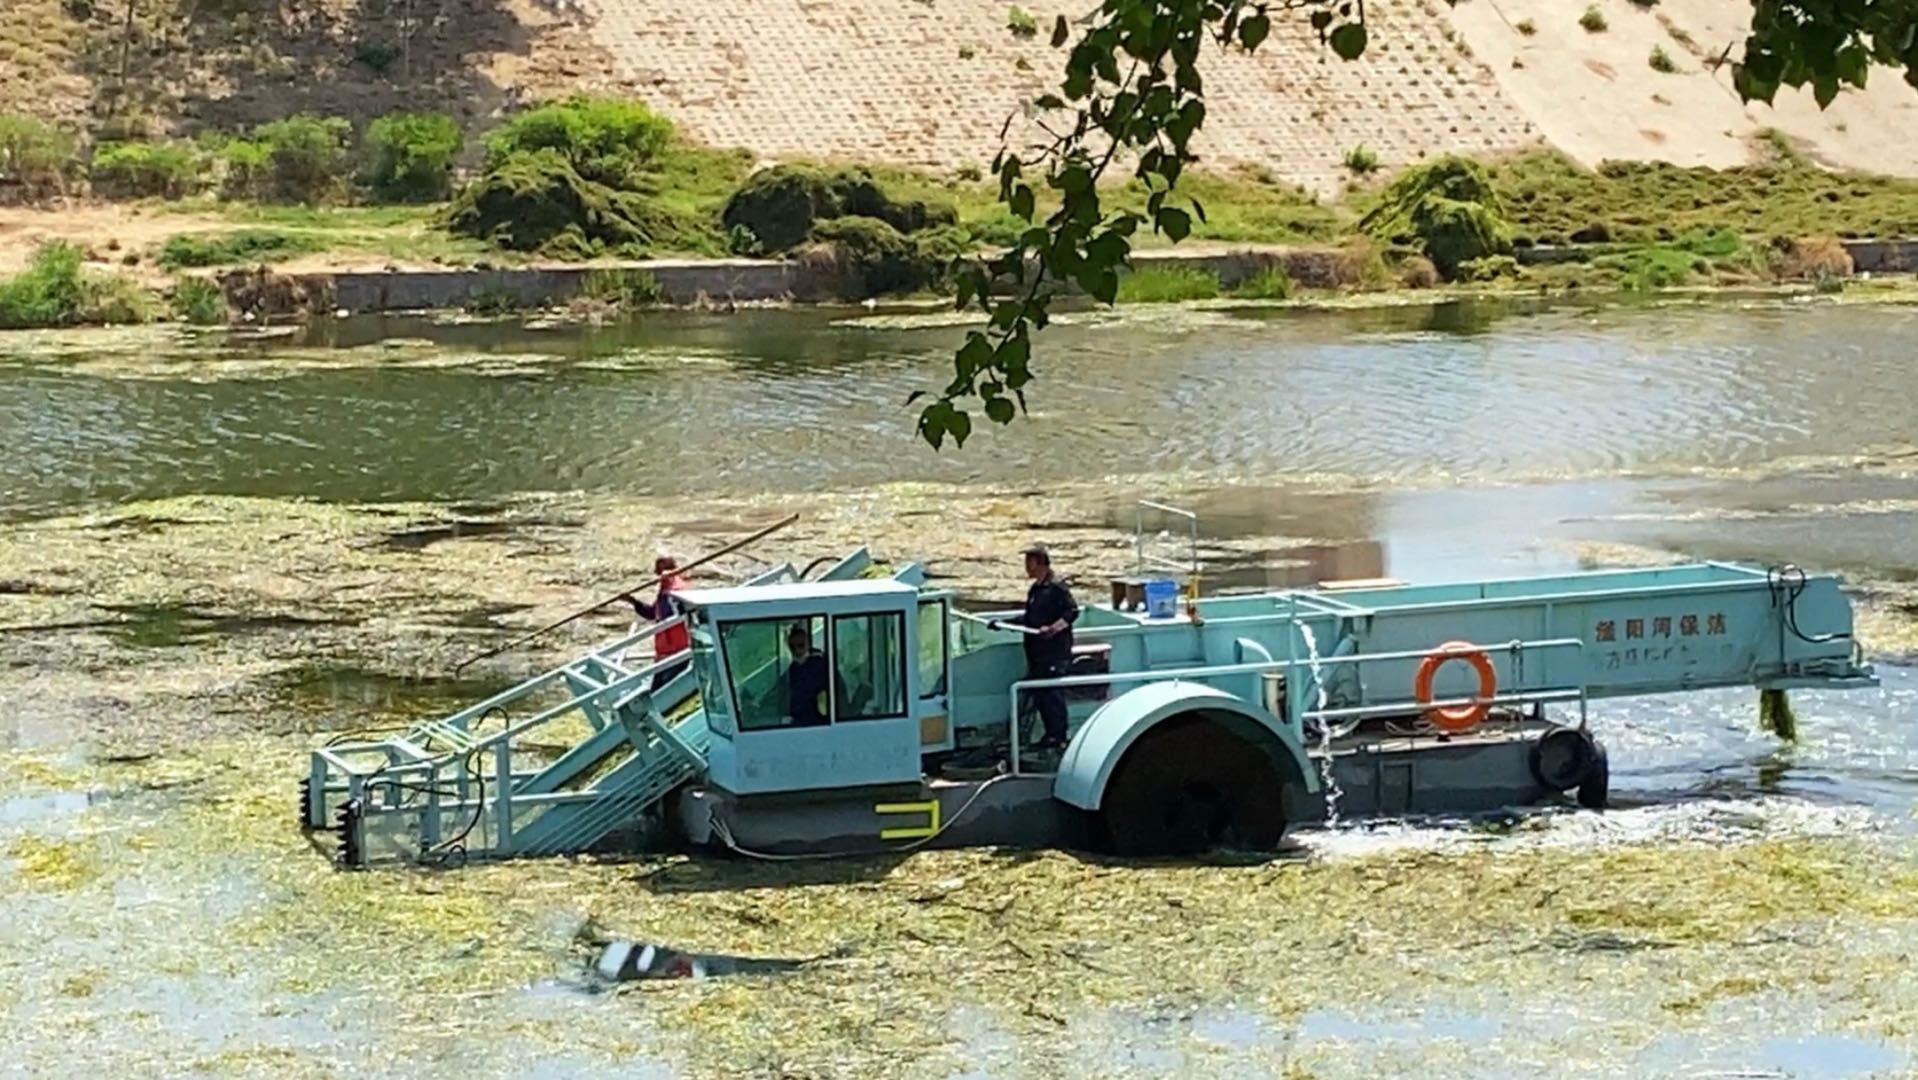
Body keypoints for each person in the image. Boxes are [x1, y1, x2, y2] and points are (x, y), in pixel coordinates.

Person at [1011, 543, 1078, 750]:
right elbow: (1031, 618)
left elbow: (1072, 612)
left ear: (1040, 564)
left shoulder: (1056, 588)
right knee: (1041, 694)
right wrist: (1006, 623)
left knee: (1052, 694)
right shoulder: (1035, 589)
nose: (1026, 567)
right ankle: (1049, 735)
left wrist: (1053, 629)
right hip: (1036, 653)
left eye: (1029, 562)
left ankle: (1059, 737)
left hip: (1053, 653)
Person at [624, 555, 691, 690]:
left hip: (677, 650)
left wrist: (668, 579)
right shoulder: (664, 591)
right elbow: (652, 613)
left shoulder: (677, 591)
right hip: (663, 652)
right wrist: (633, 601)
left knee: (667, 691)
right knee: (655, 691)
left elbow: (678, 612)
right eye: (658, 572)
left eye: (662, 571)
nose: (659, 575)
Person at [783, 623, 834, 727]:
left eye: (800, 645)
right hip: (797, 723)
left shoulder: (821, 666)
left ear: (807, 644)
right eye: (792, 646)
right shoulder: (791, 672)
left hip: (819, 722)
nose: (796, 650)